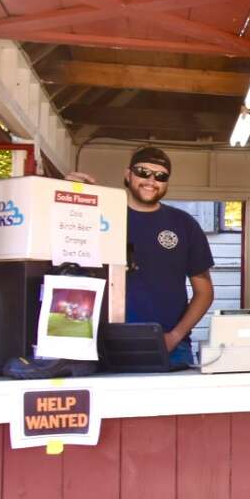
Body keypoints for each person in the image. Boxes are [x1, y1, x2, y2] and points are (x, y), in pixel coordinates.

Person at [73, 146, 215, 367]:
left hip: (168, 347)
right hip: (101, 343)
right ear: (127, 174)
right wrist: (67, 192)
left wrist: (174, 336)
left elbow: (204, 292)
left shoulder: (184, 224)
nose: (151, 180)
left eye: (161, 176)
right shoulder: (99, 214)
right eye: (142, 172)